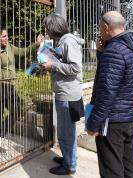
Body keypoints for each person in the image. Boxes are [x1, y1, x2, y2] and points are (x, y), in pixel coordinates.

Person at [86, 11, 133, 178]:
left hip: (113, 121)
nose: (100, 32)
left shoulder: (114, 51)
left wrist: (93, 124)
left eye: (101, 28)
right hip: (130, 116)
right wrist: (102, 53)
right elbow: (122, 78)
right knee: (129, 165)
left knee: (111, 170)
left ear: (106, 28)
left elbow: (107, 93)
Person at [0, 27, 42, 150]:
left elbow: (25, 51)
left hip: (9, 85)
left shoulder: (10, 47)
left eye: (7, 36)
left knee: (17, 109)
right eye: (4, 36)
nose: (7, 38)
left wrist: (36, 44)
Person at [40, 13, 85, 175]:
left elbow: (74, 68)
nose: (47, 31)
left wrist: (52, 65)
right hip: (64, 93)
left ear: (54, 28)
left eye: (47, 28)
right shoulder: (64, 41)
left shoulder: (68, 41)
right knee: (64, 131)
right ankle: (67, 158)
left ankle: (70, 165)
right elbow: (65, 61)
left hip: (68, 95)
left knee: (67, 133)